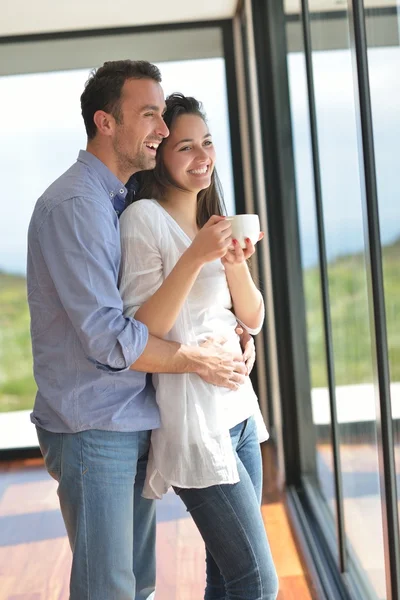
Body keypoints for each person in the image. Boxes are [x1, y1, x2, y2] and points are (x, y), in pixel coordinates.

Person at [27, 60, 254, 600]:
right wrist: (199, 359)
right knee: (108, 588)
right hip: (92, 425)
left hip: (132, 415)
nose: (161, 128)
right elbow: (110, 339)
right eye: (149, 114)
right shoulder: (77, 206)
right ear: (106, 123)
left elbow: (165, 305)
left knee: (137, 584)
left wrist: (231, 333)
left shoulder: (120, 198)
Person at [119, 93, 279, 600]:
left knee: (227, 576)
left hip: (238, 415)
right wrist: (194, 256)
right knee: (258, 581)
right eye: (185, 146)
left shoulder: (215, 220)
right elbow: (144, 327)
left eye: (207, 143)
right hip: (194, 421)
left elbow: (252, 317)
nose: (202, 156)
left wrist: (233, 261)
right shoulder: (143, 219)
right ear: (162, 156)